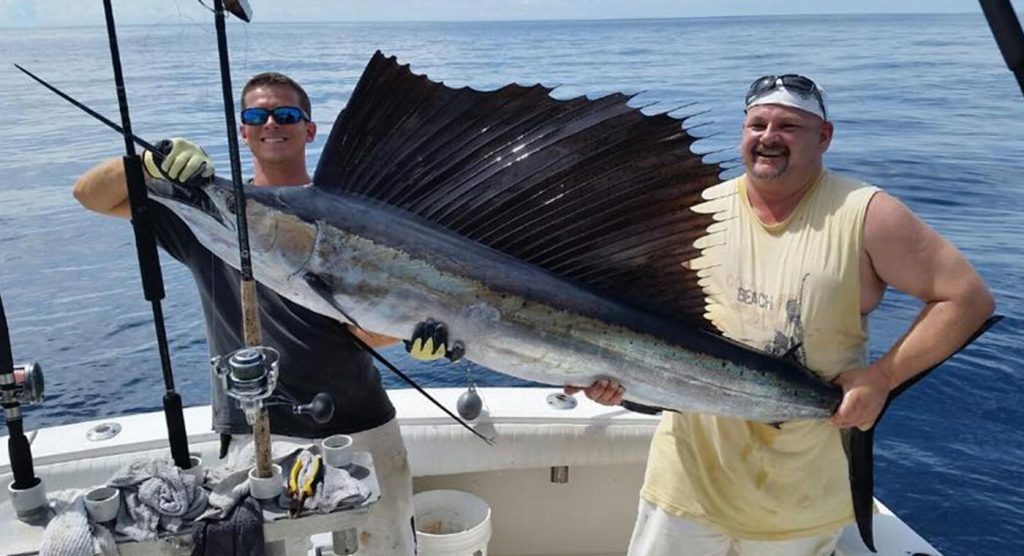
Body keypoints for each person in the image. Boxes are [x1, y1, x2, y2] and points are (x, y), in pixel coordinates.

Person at [568, 74, 995, 555]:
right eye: (757, 124)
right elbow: (651, 325)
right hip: (685, 485)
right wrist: (611, 374)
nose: (769, 137)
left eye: (788, 125)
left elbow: (967, 298)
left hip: (800, 499)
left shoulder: (867, 213)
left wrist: (882, 377)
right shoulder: (695, 213)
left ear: (824, 137)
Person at [73, 72, 420, 555]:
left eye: (286, 114)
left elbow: (366, 331)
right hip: (254, 432)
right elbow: (90, 195)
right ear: (242, 132)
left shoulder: (346, 222)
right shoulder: (209, 219)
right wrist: (147, 163)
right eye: (256, 116)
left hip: (359, 421)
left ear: (309, 129)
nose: (270, 123)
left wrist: (413, 332)